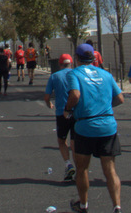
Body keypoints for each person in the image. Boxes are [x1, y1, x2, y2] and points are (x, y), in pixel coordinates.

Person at [65, 43, 124, 213]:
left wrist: (68, 110)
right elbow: (120, 98)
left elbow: (75, 94)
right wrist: (105, 107)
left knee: (82, 168)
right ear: (93, 58)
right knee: (110, 170)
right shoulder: (106, 74)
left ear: (76, 58)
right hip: (107, 125)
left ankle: (83, 205)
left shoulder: (74, 74)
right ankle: (117, 206)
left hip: (85, 126)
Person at [44, 53, 77, 182]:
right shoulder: (76, 75)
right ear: (71, 63)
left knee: (62, 141)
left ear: (60, 64)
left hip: (61, 113)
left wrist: (49, 104)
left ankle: (68, 164)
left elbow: (47, 97)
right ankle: (79, 167)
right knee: (74, 142)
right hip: (76, 112)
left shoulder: (55, 76)